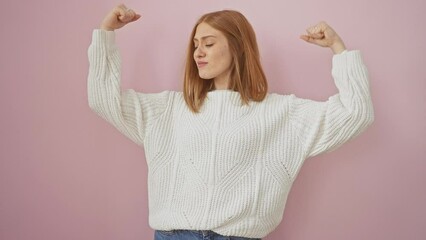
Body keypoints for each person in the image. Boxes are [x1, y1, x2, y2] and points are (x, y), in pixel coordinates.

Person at [87, 4, 374, 240]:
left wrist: (339, 48)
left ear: (237, 48)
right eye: (196, 44)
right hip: (174, 236)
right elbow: (103, 100)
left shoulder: (280, 113)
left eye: (209, 44)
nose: (198, 52)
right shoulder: (169, 109)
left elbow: (356, 113)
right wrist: (106, 33)